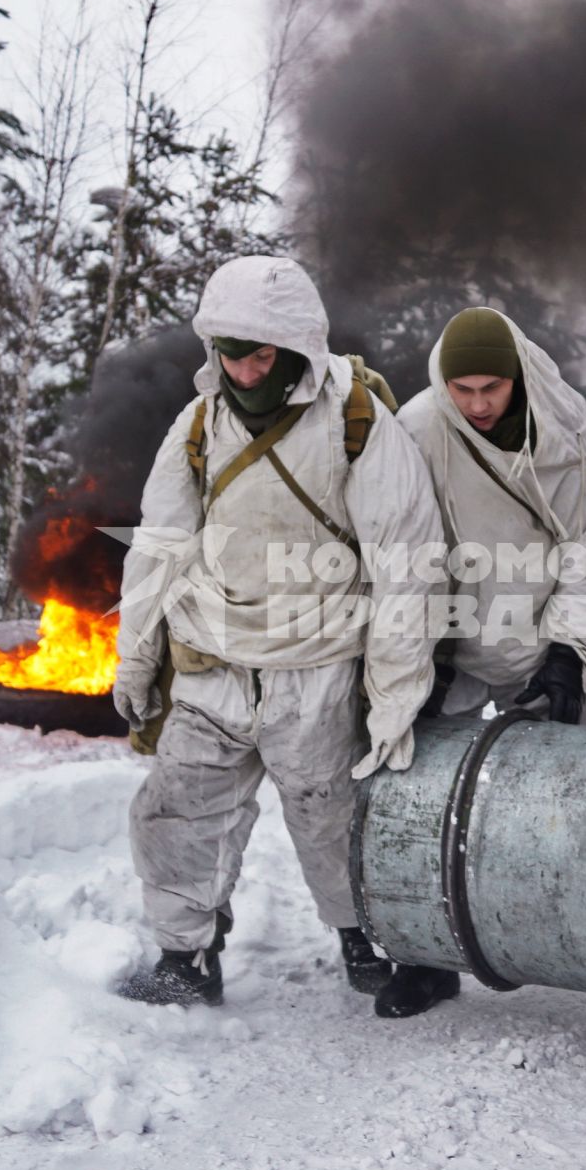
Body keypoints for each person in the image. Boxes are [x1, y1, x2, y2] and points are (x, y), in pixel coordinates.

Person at [110, 255, 443, 1011]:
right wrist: (137, 659)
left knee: (331, 823)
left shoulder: (357, 423)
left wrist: (394, 697)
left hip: (317, 667)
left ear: (298, 346)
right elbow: (159, 548)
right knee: (174, 813)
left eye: (263, 353)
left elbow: (406, 566)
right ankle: (183, 957)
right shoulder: (199, 425)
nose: (248, 371)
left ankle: (365, 936)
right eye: (233, 352)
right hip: (212, 665)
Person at [383, 306, 586, 1016]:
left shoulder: (565, 431)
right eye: (465, 389)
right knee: (416, 803)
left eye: (493, 387)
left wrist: (570, 653)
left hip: (541, 640)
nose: (479, 404)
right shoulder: (418, 428)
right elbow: (400, 546)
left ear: (517, 378)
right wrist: (413, 654)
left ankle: (567, 933)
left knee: (563, 802)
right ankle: (423, 955)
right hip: (452, 644)